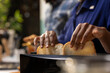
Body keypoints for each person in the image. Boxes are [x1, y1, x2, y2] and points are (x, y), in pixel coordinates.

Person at [34, 0, 110, 54]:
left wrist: (103, 35)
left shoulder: (106, 3)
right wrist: (52, 41)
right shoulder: (75, 9)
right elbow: (65, 42)